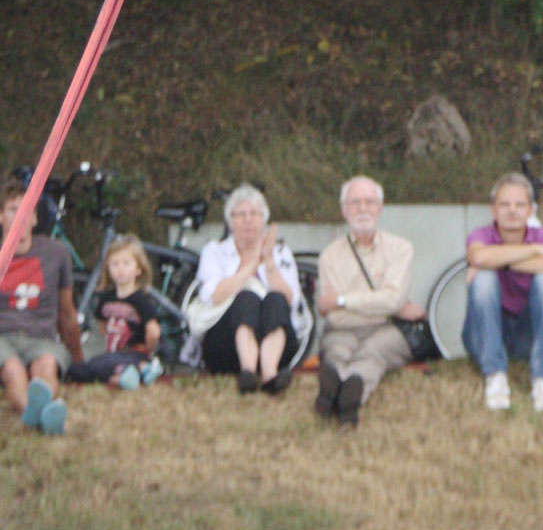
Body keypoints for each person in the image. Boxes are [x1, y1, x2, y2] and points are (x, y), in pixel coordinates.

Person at [314, 175, 425, 425]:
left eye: (369, 202)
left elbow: (392, 301)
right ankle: (337, 393)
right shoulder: (329, 256)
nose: (362, 208)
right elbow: (335, 316)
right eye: (355, 203)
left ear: (380, 207)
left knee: (373, 352)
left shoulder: (401, 249)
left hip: (388, 329)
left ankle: (346, 397)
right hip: (343, 329)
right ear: (344, 210)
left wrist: (342, 299)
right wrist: (383, 304)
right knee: (337, 351)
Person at [188, 183, 310, 392]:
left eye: (254, 213)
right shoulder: (214, 251)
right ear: (231, 220)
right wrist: (252, 266)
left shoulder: (280, 253)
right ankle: (248, 373)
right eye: (241, 214)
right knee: (247, 297)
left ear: (264, 219)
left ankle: (270, 375)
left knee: (276, 298)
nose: (248, 220)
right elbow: (214, 295)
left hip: (275, 343)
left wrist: (269, 263)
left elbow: (292, 300)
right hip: (224, 344)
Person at [462, 172, 543, 412]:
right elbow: (478, 256)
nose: (512, 211)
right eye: (504, 204)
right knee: (484, 278)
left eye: (520, 205)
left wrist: (498, 259)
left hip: (527, 335)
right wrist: (535, 251)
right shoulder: (480, 235)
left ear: (531, 210)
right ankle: (495, 376)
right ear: (493, 210)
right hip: (485, 334)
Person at [0, 173, 82, 435]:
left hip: (41, 337)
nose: (21, 216)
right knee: (13, 370)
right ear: (1, 216)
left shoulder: (56, 253)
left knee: (46, 366)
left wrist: (78, 360)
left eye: (28, 210)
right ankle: (33, 415)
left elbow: (67, 311)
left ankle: (43, 411)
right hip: (3, 337)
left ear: (35, 218)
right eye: (14, 209)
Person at [68, 235, 163, 388]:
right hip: (112, 354)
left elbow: (154, 331)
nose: (120, 269)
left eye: (126, 263)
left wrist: (147, 351)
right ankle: (130, 375)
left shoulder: (142, 300)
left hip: (135, 353)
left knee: (100, 367)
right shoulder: (106, 298)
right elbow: (102, 326)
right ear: (108, 268)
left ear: (138, 269)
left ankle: (142, 368)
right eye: (115, 264)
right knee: (81, 368)